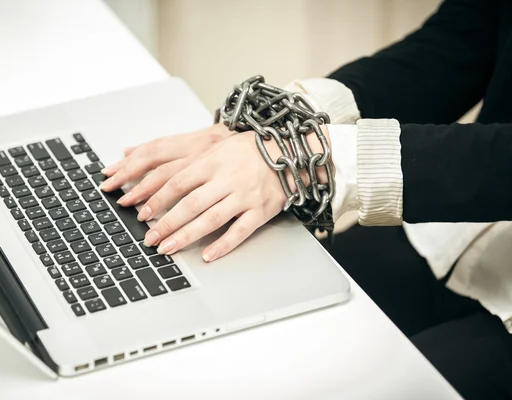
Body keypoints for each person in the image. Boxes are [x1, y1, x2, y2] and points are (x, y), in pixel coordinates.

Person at [100, 0, 512, 398]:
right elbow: (458, 43)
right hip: (462, 227)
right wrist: (282, 119)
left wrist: (315, 158)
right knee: (252, 337)